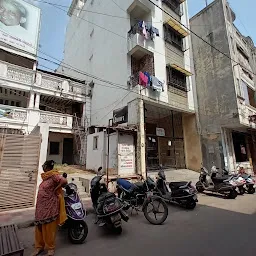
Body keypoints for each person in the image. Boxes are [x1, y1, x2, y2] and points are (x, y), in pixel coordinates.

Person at [33, 160, 67, 256]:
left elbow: (64, 181)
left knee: (49, 228)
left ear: (48, 167)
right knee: (39, 227)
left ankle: (50, 248)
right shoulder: (46, 176)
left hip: (50, 207)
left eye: (44, 165)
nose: (43, 167)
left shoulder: (53, 175)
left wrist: (56, 188)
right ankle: (39, 247)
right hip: (41, 208)